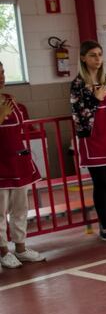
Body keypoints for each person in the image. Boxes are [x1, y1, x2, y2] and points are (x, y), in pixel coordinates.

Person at [70, 40, 106, 243]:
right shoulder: (78, 84)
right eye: (93, 55)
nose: (97, 59)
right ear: (83, 58)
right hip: (93, 141)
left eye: (99, 54)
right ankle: (104, 227)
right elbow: (78, 114)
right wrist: (95, 100)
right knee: (101, 183)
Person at [0, 62, 44, 268]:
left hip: (17, 159)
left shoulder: (10, 100)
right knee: (0, 211)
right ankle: (3, 251)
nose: (1, 77)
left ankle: (21, 248)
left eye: (2, 72)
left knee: (20, 207)